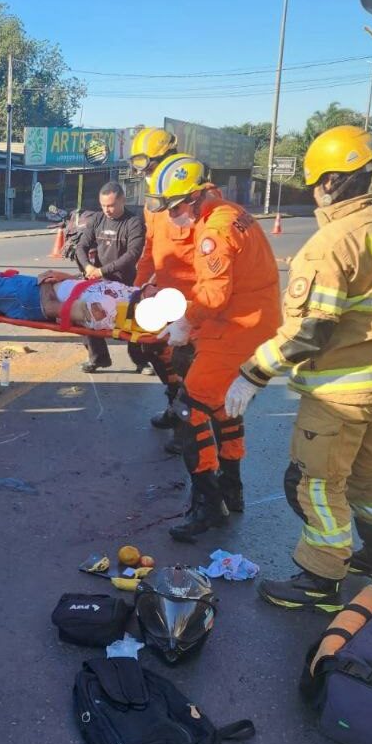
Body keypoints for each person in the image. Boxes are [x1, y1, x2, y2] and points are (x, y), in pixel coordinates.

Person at [223, 125, 372, 610]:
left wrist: (253, 372)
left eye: (315, 182)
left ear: (330, 181)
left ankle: (321, 578)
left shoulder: (332, 243)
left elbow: (311, 331)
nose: (315, 191)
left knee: (315, 483)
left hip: (340, 394)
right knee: (371, 477)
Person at [141, 154, 280, 543]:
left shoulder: (213, 233)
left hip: (237, 327)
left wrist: (185, 322)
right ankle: (232, 488)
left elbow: (215, 295)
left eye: (176, 207)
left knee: (190, 408)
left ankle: (208, 505)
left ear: (198, 194)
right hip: (251, 322)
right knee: (222, 406)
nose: (173, 217)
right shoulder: (229, 212)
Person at [130, 128, 194, 440]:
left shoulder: (196, 196)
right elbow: (150, 250)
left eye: (151, 168)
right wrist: (137, 289)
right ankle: (175, 407)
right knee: (153, 347)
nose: (147, 176)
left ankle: (188, 428)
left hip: (199, 298)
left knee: (186, 362)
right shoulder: (154, 202)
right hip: (168, 294)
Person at [72, 181, 145, 372]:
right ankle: (98, 358)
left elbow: (132, 255)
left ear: (122, 201)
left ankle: (141, 361)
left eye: (111, 205)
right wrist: (87, 266)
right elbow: (81, 246)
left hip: (126, 282)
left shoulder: (134, 222)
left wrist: (103, 270)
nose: (107, 210)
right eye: (103, 205)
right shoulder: (97, 219)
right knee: (85, 314)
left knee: (132, 324)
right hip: (99, 282)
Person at [0, 269, 137, 330]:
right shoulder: (127, 293)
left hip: (29, 299)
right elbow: (83, 285)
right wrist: (63, 276)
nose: (151, 289)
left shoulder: (103, 310)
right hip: (31, 289)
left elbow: (50, 308)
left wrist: (44, 281)